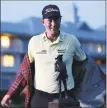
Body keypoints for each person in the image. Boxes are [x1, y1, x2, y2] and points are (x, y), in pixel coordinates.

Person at [1, 4, 87, 108]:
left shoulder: (72, 41)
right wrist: (10, 94)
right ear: (43, 22)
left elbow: (84, 63)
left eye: (56, 19)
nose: (53, 24)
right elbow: (25, 72)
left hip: (66, 97)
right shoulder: (34, 42)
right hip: (40, 98)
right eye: (49, 20)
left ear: (60, 20)